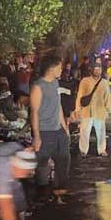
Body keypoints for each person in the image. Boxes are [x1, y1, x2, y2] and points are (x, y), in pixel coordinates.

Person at [29, 54, 72, 201]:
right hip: (44, 132)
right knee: (42, 163)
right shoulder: (38, 86)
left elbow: (58, 105)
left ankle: (60, 190)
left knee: (63, 160)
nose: (62, 70)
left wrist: (64, 126)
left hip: (58, 131)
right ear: (52, 68)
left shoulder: (55, 83)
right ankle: (42, 192)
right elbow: (34, 112)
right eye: (59, 68)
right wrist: (37, 136)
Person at [76, 62, 111, 156]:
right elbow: (80, 95)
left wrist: (108, 109)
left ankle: (102, 150)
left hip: (99, 111)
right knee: (84, 132)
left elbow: (107, 96)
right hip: (86, 111)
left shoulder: (104, 82)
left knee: (101, 132)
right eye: (96, 69)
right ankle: (83, 150)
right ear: (92, 70)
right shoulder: (85, 81)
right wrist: (77, 109)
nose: (97, 71)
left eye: (99, 69)